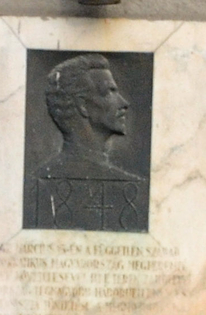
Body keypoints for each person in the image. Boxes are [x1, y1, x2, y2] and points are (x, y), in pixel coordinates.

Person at [27, 53, 149, 232]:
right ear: (82, 106)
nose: (124, 103)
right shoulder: (39, 185)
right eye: (109, 92)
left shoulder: (36, 180)